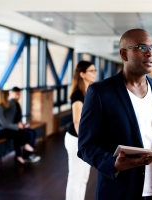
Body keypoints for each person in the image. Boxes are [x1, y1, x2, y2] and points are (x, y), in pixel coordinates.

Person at [77, 28, 152, 200]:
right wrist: (113, 164)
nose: (150, 53)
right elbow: (86, 147)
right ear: (124, 54)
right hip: (118, 192)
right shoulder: (100, 92)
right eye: (142, 48)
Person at [64, 61, 97, 200]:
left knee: (83, 178)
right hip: (76, 139)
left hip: (84, 139)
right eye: (91, 71)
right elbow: (77, 121)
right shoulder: (78, 94)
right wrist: (85, 143)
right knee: (75, 178)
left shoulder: (89, 91)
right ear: (82, 74)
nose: (95, 73)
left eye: (95, 70)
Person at [0, 90, 38, 165]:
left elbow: (5, 124)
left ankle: (19, 155)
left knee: (16, 133)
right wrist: (17, 126)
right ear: (3, 98)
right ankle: (24, 146)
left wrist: (17, 126)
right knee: (16, 132)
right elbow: (5, 124)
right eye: (7, 97)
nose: (8, 99)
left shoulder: (0, 107)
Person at [8, 86, 40, 162]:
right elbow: (9, 120)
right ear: (11, 93)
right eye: (16, 94)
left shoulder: (17, 104)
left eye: (19, 94)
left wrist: (22, 124)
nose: (18, 96)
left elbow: (18, 118)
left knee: (33, 132)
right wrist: (19, 125)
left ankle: (28, 154)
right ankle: (26, 155)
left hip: (18, 126)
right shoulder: (11, 104)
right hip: (14, 128)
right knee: (30, 134)